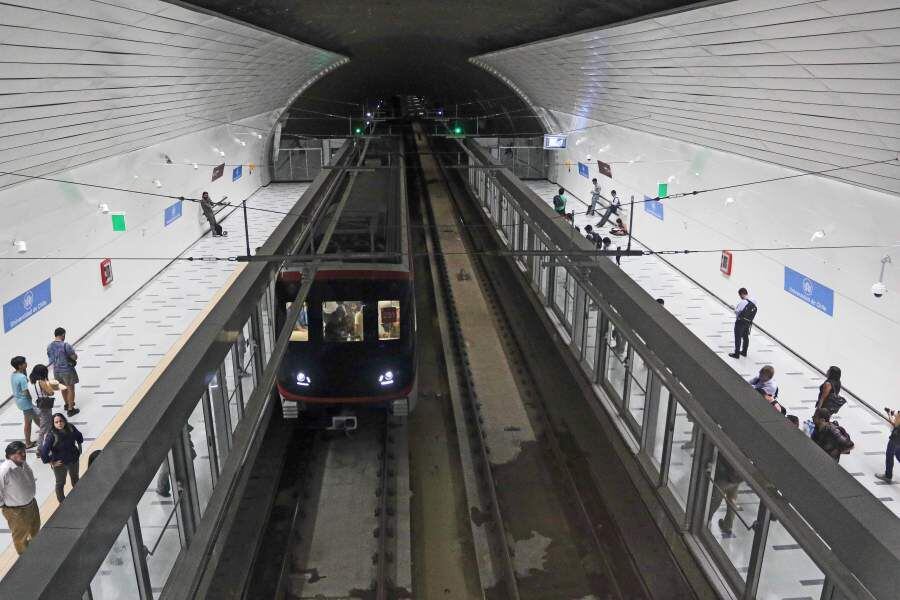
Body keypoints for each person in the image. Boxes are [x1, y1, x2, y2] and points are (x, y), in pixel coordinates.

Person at [0, 441, 40, 554]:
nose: (23, 454)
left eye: (24, 451)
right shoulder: (4, 470)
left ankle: (35, 552)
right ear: (10, 455)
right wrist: (5, 506)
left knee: (35, 529)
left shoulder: (23, 463)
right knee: (21, 538)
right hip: (16, 511)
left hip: (31, 504)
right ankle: (25, 561)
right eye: (20, 452)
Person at [39, 413, 83, 503]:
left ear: (64, 421)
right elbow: (43, 452)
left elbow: (79, 437)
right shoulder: (51, 435)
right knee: (60, 483)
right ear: (53, 424)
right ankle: (62, 503)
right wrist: (50, 462)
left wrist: (78, 448)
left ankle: (79, 496)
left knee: (75, 478)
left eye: (61, 421)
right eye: (56, 422)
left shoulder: (71, 428)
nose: (59, 423)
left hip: (73, 459)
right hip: (60, 463)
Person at [46, 327, 79, 417]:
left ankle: (67, 404)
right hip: (67, 370)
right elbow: (74, 357)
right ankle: (71, 409)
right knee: (70, 389)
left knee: (63, 388)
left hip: (56, 371)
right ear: (63, 334)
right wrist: (75, 356)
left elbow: (50, 360)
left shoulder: (49, 346)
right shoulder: (66, 345)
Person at [10, 357, 40, 449]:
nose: (26, 364)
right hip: (26, 402)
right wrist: (35, 398)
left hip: (19, 401)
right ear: (19, 366)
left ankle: (48, 430)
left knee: (35, 417)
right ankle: (27, 443)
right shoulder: (22, 377)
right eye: (24, 363)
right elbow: (26, 391)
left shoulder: (13, 375)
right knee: (28, 422)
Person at [708, 455, 742, 534]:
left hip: (724, 479)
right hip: (736, 480)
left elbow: (719, 458)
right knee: (732, 502)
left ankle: (707, 519)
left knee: (716, 501)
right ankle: (728, 526)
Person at [28, 364, 57, 447]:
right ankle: (40, 447)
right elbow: (51, 393)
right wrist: (49, 386)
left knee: (47, 424)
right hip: (44, 406)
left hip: (35, 405)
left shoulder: (29, 382)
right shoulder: (41, 382)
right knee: (44, 427)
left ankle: (50, 441)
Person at [728, 288, 757, 359]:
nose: (740, 297)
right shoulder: (754, 300)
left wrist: (733, 308)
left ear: (742, 294)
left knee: (738, 337)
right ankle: (744, 352)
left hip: (740, 322)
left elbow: (737, 311)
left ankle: (736, 354)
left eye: (740, 295)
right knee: (745, 337)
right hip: (748, 322)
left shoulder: (743, 302)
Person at [876, 409, 900, 482]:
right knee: (896, 453)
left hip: (897, 436)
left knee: (890, 454)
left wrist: (890, 415)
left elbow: (896, 424)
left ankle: (888, 476)